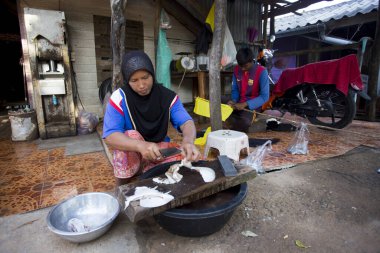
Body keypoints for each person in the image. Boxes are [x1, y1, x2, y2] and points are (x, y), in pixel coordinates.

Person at [103, 51, 201, 186]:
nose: (141, 85)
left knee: (190, 160)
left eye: (145, 77)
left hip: (159, 151)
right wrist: (141, 145)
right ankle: (121, 186)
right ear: (127, 80)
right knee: (129, 135)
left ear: (152, 74)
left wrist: (188, 141)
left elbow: (186, 122)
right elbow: (111, 135)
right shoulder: (119, 98)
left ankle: (145, 168)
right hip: (134, 151)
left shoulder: (167, 97)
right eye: (134, 80)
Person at [225, 47, 270, 132]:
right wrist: (233, 100)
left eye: (245, 66)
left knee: (244, 122)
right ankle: (233, 121)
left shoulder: (262, 72)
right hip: (238, 102)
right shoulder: (236, 70)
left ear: (252, 60)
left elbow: (265, 96)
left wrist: (245, 104)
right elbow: (235, 89)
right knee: (217, 101)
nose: (242, 69)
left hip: (253, 106)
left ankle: (235, 124)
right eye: (240, 66)